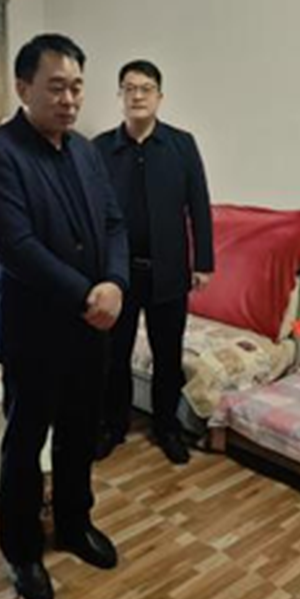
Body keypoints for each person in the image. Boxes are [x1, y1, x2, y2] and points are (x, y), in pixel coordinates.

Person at [0, 34, 128, 599]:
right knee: (25, 443)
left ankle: (74, 523)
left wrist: (115, 283)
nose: (69, 99)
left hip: (91, 328)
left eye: (77, 87)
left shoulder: (85, 150)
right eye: (56, 87)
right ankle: (21, 548)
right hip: (35, 332)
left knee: (80, 434)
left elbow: (113, 223)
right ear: (23, 87)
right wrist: (89, 294)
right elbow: (17, 247)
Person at [93, 60, 214, 464]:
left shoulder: (182, 145)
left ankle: (167, 427)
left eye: (146, 88)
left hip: (169, 271)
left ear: (159, 96)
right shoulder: (100, 149)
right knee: (114, 354)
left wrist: (204, 261)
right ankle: (113, 425)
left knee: (167, 354)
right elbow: (91, 211)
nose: (138, 95)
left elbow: (199, 205)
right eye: (129, 88)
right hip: (118, 273)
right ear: (120, 96)